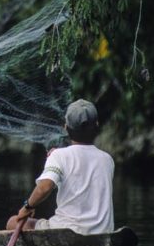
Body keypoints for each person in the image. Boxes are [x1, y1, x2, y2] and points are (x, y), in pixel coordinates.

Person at [6, 99, 114, 235]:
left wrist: (28, 206)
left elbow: (45, 187)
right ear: (97, 125)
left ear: (66, 128)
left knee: (12, 222)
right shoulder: (107, 159)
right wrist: (58, 155)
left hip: (67, 231)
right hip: (102, 233)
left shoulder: (59, 155)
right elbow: (82, 169)